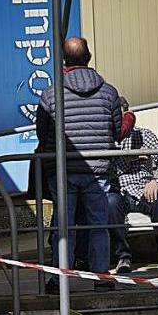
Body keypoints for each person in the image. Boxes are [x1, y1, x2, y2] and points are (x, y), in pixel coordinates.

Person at [36, 37, 122, 288]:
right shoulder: (109, 93)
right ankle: (101, 276)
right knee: (99, 225)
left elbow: (43, 133)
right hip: (99, 170)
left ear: (63, 60)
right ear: (89, 57)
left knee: (63, 225)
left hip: (62, 169)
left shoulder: (51, 95)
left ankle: (59, 278)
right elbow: (116, 131)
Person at [109, 97, 158, 275]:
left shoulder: (144, 135)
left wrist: (157, 181)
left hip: (143, 187)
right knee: (110, 204)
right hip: (119, 189)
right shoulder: (107, 138)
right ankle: (123, 257)